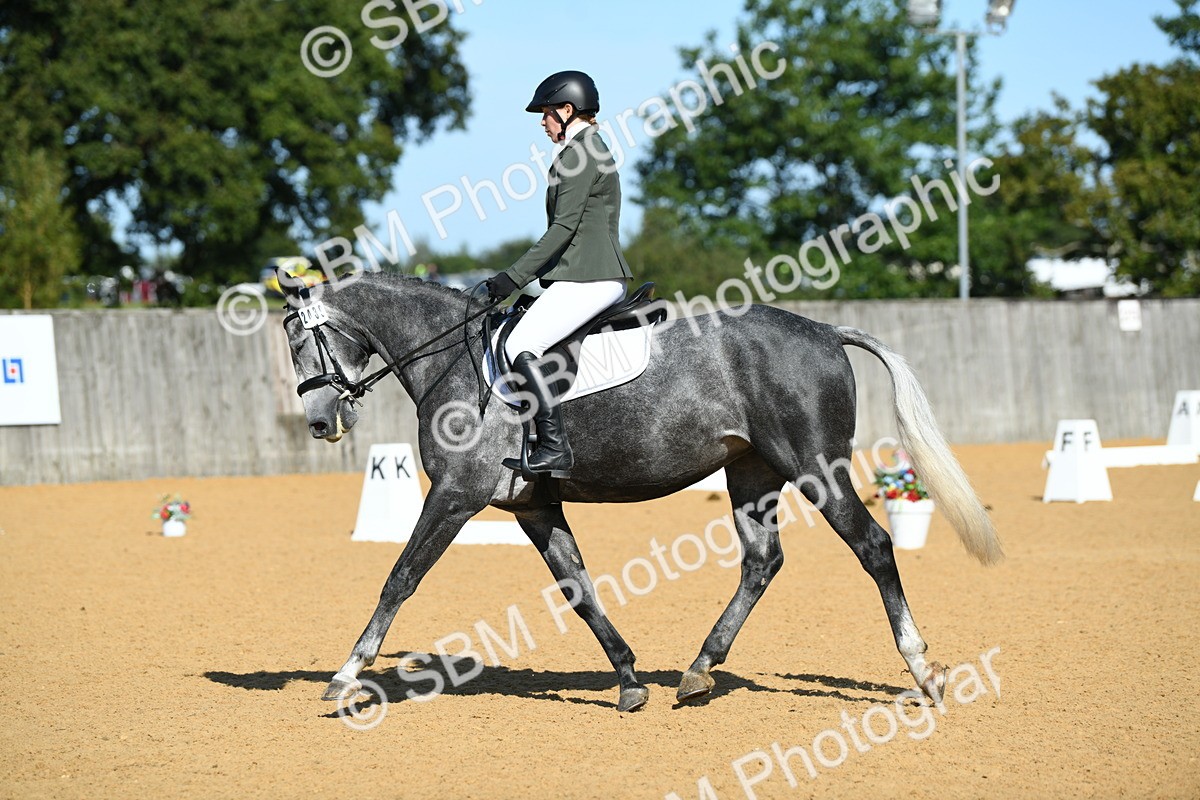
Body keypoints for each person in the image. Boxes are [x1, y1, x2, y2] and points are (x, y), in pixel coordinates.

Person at [485, 70, 633, 479]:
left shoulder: (580, 154)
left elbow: (563, 230)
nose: (542, 121)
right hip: (582, 274)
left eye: (547, 113)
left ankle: (553, 447)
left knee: (521, 342)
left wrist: (510, 278)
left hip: (592, 277)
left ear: (568, 111)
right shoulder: (585, 149)